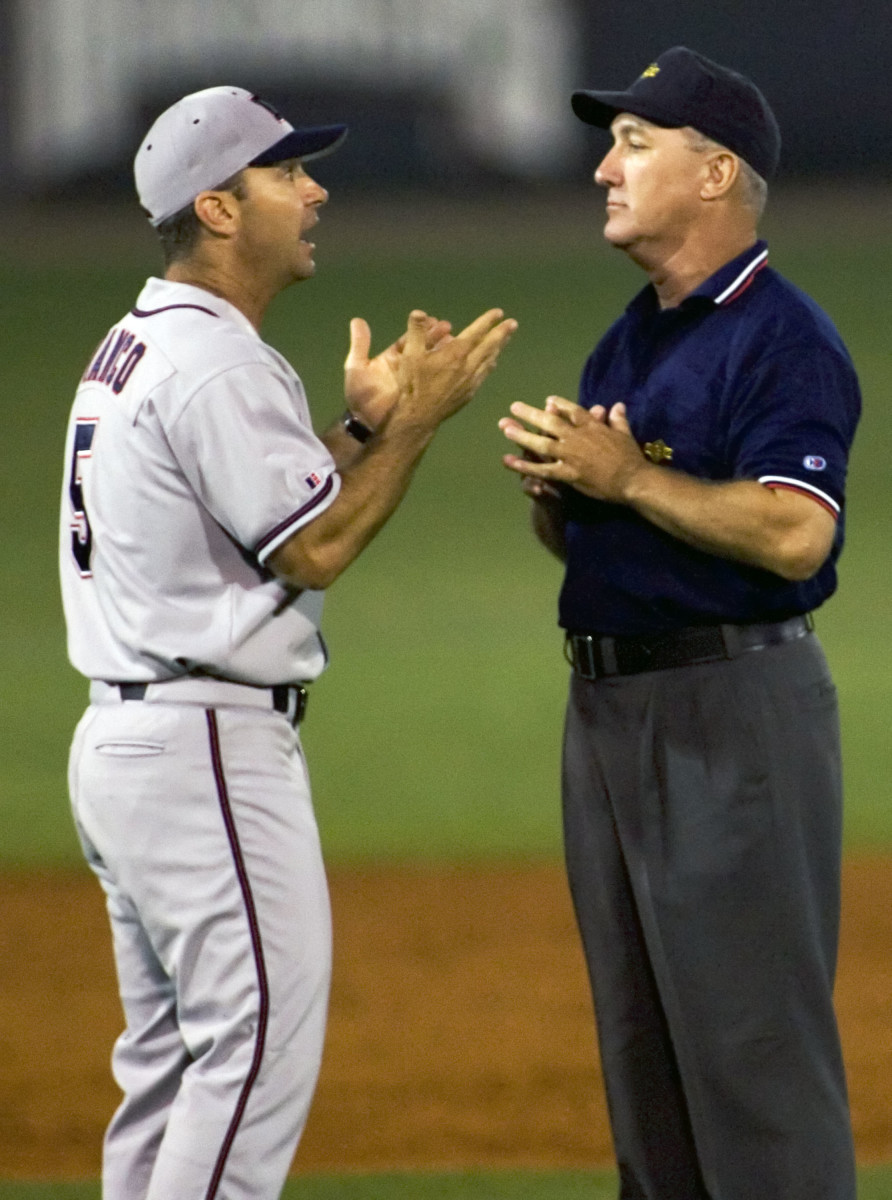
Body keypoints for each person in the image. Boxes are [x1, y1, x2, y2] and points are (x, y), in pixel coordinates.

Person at [59, 85, 515, 1200]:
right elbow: (311, 552)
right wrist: (416, 423)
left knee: (170, 1076)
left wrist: (356, 429)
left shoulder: (143, 345)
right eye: (285, 174)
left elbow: (255, 513)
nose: (314, 192)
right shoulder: (217, 361)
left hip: (135, 744)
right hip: (202, 750)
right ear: (219, 209)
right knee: (250, 1059)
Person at [500, 46, 860, 1200]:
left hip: (731, 716)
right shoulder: (634, 335)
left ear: (714, 176)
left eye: (633, 144)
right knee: (642, 1056)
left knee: (752, 1060)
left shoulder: (780, 338)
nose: (605, 168)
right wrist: (567, 505)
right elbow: (611, 531)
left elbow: (798, 534)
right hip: (610, 716)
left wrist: (629, 483)